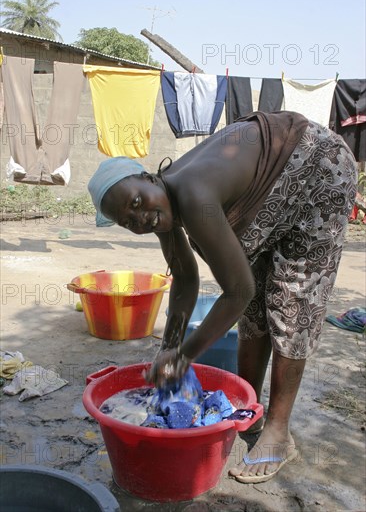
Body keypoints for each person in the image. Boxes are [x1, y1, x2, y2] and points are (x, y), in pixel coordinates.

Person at [88, 111, 357, 484]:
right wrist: (168, 345)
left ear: (147, 177)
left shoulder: (193, 193)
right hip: (275, 188)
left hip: (317, 168)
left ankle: (278, 431)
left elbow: (237, 291)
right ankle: (250, 411)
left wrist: (184, 356)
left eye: (136, 203)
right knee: (256, 302)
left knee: (293, 300)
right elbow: (184, 279)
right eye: (128, 221)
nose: (140, 219)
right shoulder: (162, 203)